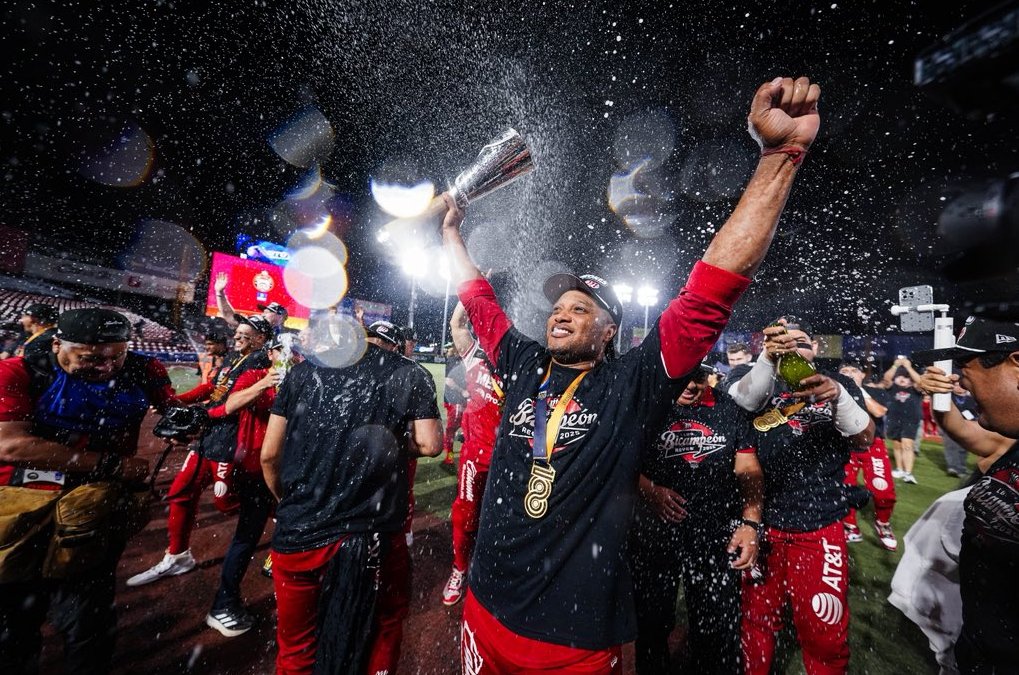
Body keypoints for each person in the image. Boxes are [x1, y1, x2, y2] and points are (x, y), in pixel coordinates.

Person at [441, 75, 822, 673]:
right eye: (559, 306)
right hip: (485, 610)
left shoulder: (634, 385)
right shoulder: (521, 363)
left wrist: (779, 157)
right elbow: (477, 296)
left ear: (609, 331)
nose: (563, 312)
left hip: (572, 641)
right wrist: (450, 231)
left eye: (581, 309)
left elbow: (713, 286)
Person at [0, 308, 179, 674]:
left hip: (93, 508)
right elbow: (11, 446)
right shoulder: (18, 372)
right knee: (13, 618)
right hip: (20, 503)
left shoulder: (144, 369)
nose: (108, 367)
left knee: (89, 619)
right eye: (92, 358)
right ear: (57, 345)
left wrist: (185, 420)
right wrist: (110, 465)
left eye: (118, 356)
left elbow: (172, 410)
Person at [261, 318, 442, 675]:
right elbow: (430, 443)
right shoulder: (408, 373)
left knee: (296, 649)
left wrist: (289, 502)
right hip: (371, 533)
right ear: (394, 344)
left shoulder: (303, 373)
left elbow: (269, 455)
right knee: (382, 630)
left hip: (301, 532)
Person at [727, 316, 874, 675]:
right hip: (764, 525)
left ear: (816, 348)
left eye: (802, 341)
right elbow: (742, 404)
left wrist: (838, 396)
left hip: (820, 525)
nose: (792, 346)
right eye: (784, 342)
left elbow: (865, 439)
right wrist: (766, 358)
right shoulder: (752, 382)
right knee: (756, 622)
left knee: (824, 633)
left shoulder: (839, 384)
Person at [126, 314, 273, 612]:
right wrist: (181, 402)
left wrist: (199, 415)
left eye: (246, 333)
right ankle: (178, 555)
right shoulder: (234, 360)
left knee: (231, 505)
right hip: (209, 439)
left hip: (231, 444)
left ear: (261, 339)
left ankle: (284, 527)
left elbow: (229, 403)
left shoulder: (260, 366)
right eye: (238, 332)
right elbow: (212, 389)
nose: (238, 335)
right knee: (181, 492)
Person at [630, 364, 763, 674]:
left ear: (710, 374)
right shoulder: (649, 403)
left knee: (715, 625)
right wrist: (650, 490)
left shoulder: (727, 407)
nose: (691, 385)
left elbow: (748, 469)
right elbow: (619, 458)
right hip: (655, 532)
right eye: (683, 376)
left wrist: (750, 522)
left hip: (713, 532)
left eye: (699, 376)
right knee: (650, 624)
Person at [910, 318, 1019, 674]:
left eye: (965, 369)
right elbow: (963, 430)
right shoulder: (1007, 441)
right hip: (977, 655)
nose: (961, 382)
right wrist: (938, 397)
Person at [198, 333, 302, 637]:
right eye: (285, 351)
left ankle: (280, 566)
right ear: (271, 353)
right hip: (257, 471)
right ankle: (223, 602)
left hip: (290, 470)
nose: (292, 356)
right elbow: (228, 406)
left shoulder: (303, 379)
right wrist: (264, 384)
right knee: (247, 535)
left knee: (291, 523)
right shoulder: (254, 375)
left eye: (296, 352)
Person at [442, 301, 504, 607]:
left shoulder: (520, 366)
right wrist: (471, 286)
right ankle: (460, 568)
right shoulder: (474, 357)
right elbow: (457, 324)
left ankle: (489, 574)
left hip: (508, 462)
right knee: (465, 515)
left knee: (501, 522)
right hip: (474, 457)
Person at [837, 361, 898, 551]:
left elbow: (879, 411)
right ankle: (850, 526)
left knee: (883, 491)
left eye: (853, 371)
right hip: (845, 445)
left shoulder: (875, 391)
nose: (848, 374)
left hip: (873, 446)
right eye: (844, 372)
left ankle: (883, 523)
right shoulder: (835, 394)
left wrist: (857, 391)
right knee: (844, 488)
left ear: (862, 375)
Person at [875, 357, 924, 484]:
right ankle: (900, 469)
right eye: (899, 377)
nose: (902, 379)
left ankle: (908, 473)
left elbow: (921, 382)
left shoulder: (915, 388)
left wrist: (908, 367)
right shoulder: (892, 387)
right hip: (894, 418)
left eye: (906, 377)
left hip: (911, 419)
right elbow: (886, 379)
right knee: (897, 445)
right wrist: (895, 366)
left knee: (908, 445)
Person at [212, 271, 288, 332]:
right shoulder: (257, 326)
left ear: (280, 317)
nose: (263, 314)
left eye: (268, 312)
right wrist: (220, 292)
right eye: (264, 311)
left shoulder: (286, 338)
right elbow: (230, 316)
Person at [442, 341, 468, 465]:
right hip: (456, 400)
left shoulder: (458, 359)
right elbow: (449, 381)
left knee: (462, 425)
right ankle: (449, 455)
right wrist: (462, 391)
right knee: (453, 428)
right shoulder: (454, 360)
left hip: (455, 400)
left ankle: (450, 449)